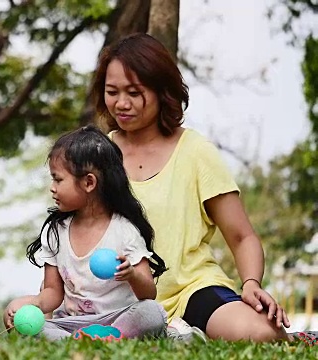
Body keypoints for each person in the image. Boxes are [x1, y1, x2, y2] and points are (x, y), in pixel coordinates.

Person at [91, 33, 290, 342]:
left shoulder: (195, 150)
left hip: (192, 290)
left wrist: (251, 282)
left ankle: (185, 329)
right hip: (120, 301)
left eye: (134, 92)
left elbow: (242, 236)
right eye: (112, 92)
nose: (122, 103)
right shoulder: (98, 155)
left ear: (162, 92)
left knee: (264, 333)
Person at [3, 125, 168, 340]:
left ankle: (109, 336)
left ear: (89, 182)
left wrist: (132, 275)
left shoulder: (124, 230)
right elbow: (52, 293)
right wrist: (29, 303)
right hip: (73, 324)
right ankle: (90, 340)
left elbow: (148, 294)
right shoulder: (56, 232)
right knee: (26, 328)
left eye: (58, 179)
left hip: (117, 319)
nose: (52, 187)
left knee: (151, 313)